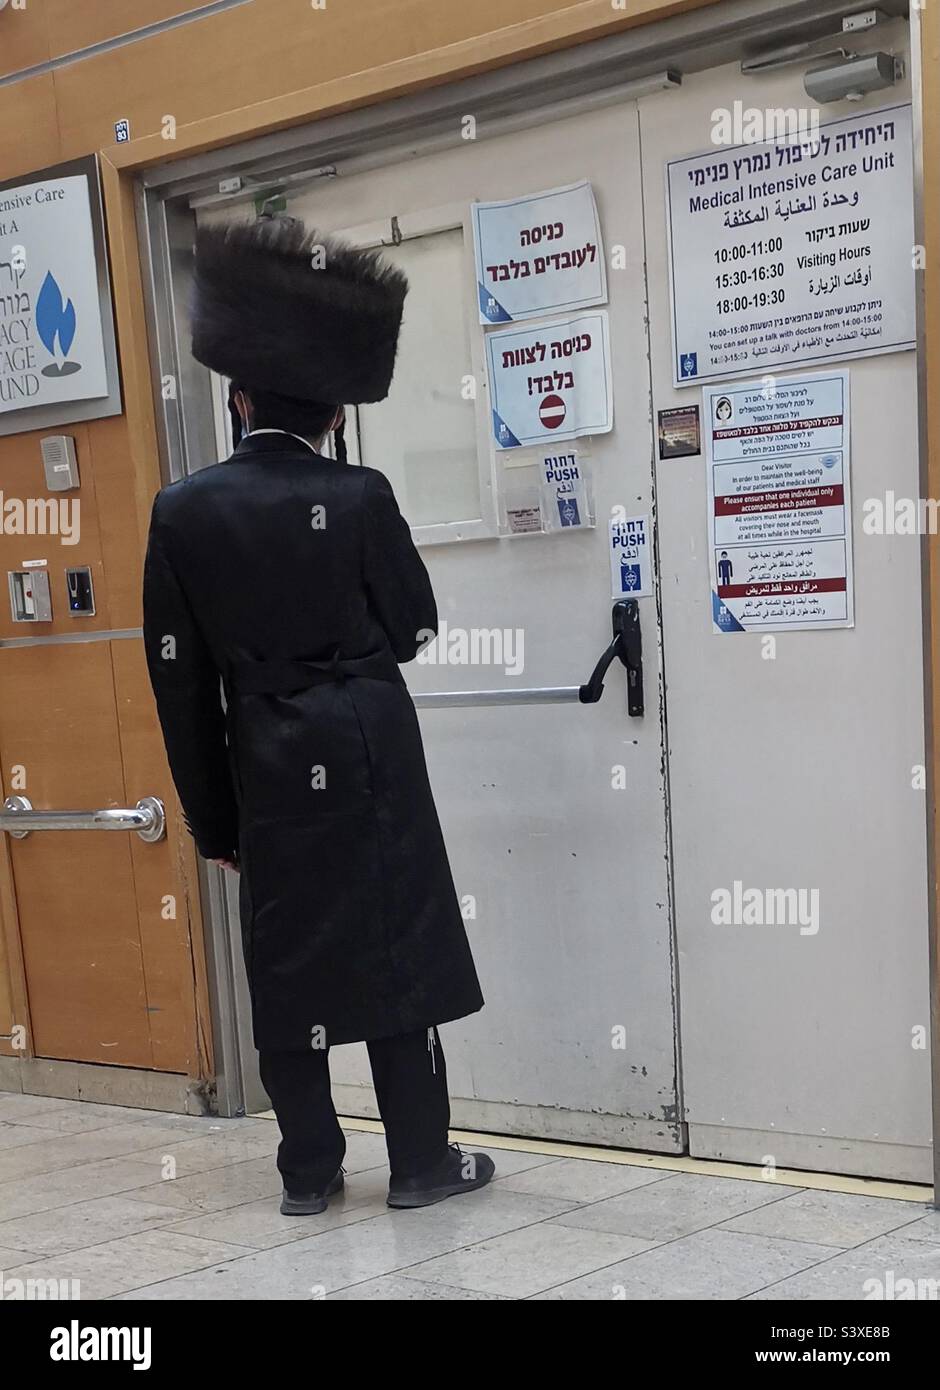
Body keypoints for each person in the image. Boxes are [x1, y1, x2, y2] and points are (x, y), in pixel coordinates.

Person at [142, 215, 490, 1215]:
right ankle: (422, 1162)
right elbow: (415, 622)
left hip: (263, 754)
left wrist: (216, 822)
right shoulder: (361, 493)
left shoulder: (181, 510)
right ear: (331, 411)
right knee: (397, 942)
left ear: (237, 395)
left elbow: (178, 680)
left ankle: (307, 1171)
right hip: (369, 740)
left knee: (287, 957)